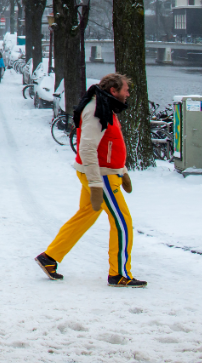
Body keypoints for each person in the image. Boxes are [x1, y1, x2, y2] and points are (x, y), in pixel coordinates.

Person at [37, 73, 145, 288]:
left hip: (104, 174)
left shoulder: (104, 106)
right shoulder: (97, 110)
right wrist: (96, 184)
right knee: (122, 222)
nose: (128, 93)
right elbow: (87, 148)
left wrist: (122, 171)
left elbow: (110, 144)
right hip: (101, 177)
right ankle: (119, 274)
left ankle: (50, 257)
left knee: (87, 214)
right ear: (114, 91)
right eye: (125, 90)